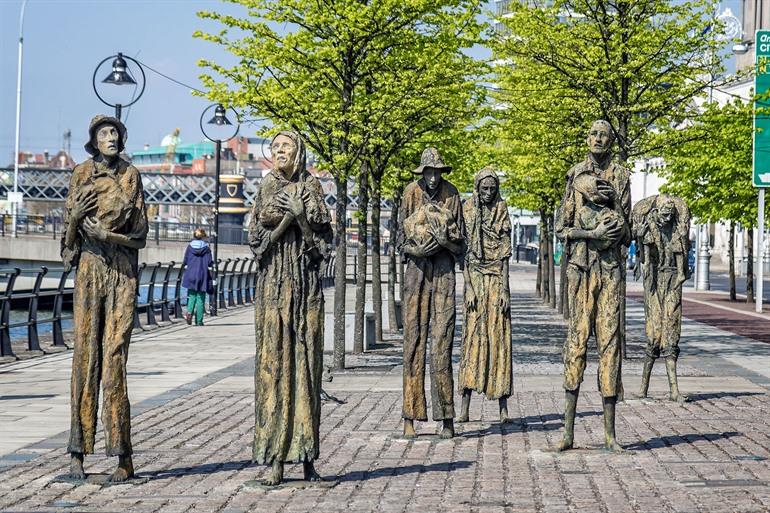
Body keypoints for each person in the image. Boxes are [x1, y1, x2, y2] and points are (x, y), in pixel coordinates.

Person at [61, 115, 148, 481]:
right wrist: (75, 220)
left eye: (115, 132)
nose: (111, 137)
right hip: (88, 272)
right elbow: (67, 252)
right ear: (94, 140)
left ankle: (122, 456)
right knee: (85, 358)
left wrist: (109, 236)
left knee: (114, 360)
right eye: (104, 133)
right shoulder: (80, 174)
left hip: (121, 275)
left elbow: (141, 236)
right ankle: (77, 452)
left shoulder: (131, 176)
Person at [248, 131, 333, 486]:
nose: (280, 151)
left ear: (299, 152)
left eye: (287, 146)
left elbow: (323, 247)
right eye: (275, 147)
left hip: (306, 290)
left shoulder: (312, 186)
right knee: (274, 369)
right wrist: (288, 218)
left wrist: (301, 218)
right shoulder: (266, 186)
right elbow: (258, 242)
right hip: (273, 289)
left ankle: (307, 456)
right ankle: (276, 458)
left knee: (307, 368)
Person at [554, 119, 631, 452]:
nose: (598, 139)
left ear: (611, 141)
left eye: (604, 135)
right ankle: (568, 432)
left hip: (611, 270)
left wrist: (616, 221)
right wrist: (592, 235)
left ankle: (610, 435)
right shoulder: (575, 175)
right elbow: (562, 229)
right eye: (593, 134)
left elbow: (629, 231)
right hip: (582, 270)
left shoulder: (622, 176)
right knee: (576, 342)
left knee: (610, 344)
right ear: (587, 139)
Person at [397, 147, 464, 440]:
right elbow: (399, 241)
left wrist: (443, 243)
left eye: (437, 172)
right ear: (422, 172)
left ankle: (447, 416)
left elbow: (462, 245)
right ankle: (410, 416)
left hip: (444, 274)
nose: (433, 177)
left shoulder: (453, 194)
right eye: (428, 172)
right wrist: (417, 249)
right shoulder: (409, 193)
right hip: (416, 273)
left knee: (442, 343)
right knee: (413, 342)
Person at [457, 169, 513, 423]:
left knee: (499, 337)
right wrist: (468, 286)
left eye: (492, 188)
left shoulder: (502, 209)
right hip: (475, 279)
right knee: (472, 338)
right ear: (477, 188)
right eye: (484, 189)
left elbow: (505, 252)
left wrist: (505, 290)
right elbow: (464, 254)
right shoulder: (467, 209)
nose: (489, 193)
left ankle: (503, 407)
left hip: (496, 278)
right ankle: (464, 407)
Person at [632, 195, 691, 402]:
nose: (666, 219)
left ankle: (674, 389)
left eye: (670, 215)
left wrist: (681, 272)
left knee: (672, 328)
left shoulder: (677, 230)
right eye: (663, 215)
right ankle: (643, 387)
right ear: (656, 213)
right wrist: (644, 262)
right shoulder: (649, 227)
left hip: (673, 278)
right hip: (655, 280)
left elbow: (681, 252)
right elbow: (645, 255)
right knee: (653, 331)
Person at [182, 228, 213, 326]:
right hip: (202, 275)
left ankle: (189, 313)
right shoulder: (206, 248)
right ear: (203, 236)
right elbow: (209, 263)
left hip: (191, 274)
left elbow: (185, 261)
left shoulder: (190, 247)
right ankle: (199, 321)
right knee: (200, 297)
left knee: (192, 295)